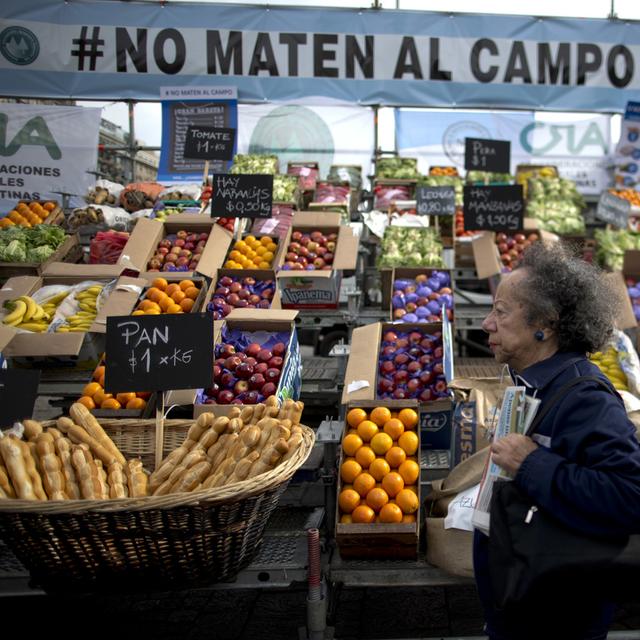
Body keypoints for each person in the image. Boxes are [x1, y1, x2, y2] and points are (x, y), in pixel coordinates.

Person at [475, 242, 640, 640]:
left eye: (500, 311)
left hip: (559, 619)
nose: (485, 324)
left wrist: (531, 463)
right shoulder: (535, 383)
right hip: (528, 603)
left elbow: (630, 494)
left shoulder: (584, 397)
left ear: (544, 324)